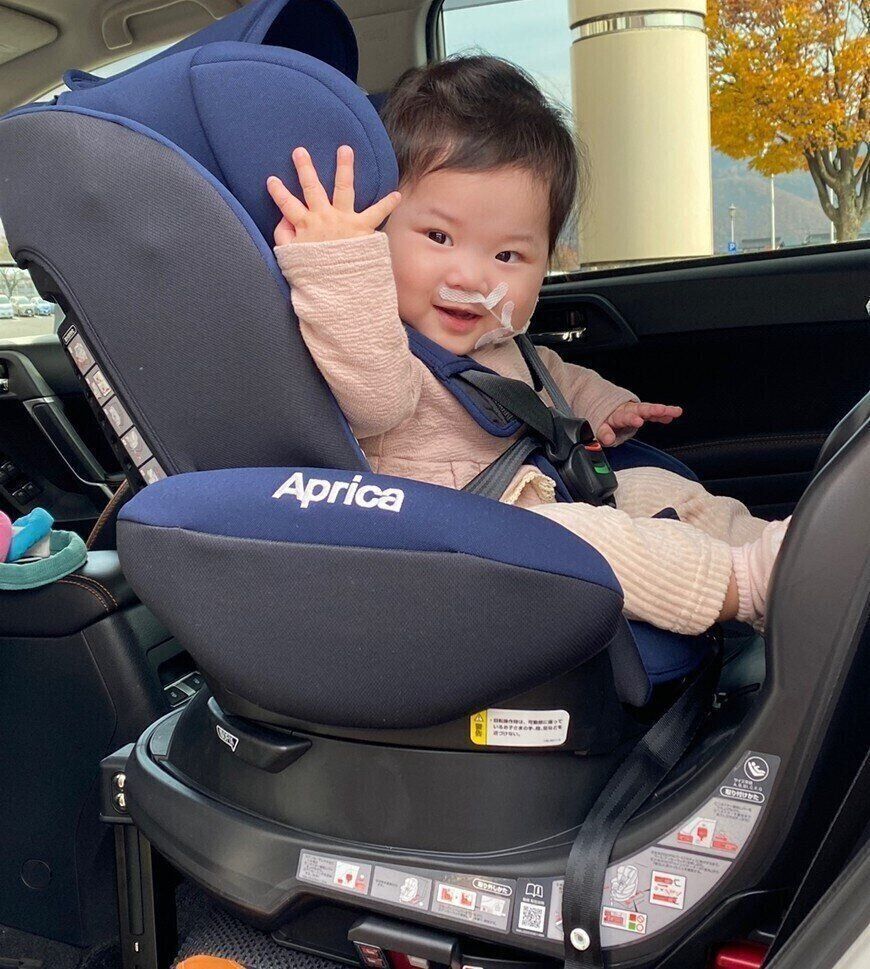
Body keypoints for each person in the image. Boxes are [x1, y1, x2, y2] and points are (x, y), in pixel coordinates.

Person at [265, 55, 788, 636]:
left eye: (508, 255)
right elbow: (376, 397)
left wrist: (602, 405)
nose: (472, 278)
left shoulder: (495, 340)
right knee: (588, 540)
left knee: (660, 489)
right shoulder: (375, 336)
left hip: (533, 494)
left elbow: (550, 377)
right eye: (438, 236)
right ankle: (750, 583)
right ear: (376, 231)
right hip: (455, 541)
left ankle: (790, 555)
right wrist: (336, 263)